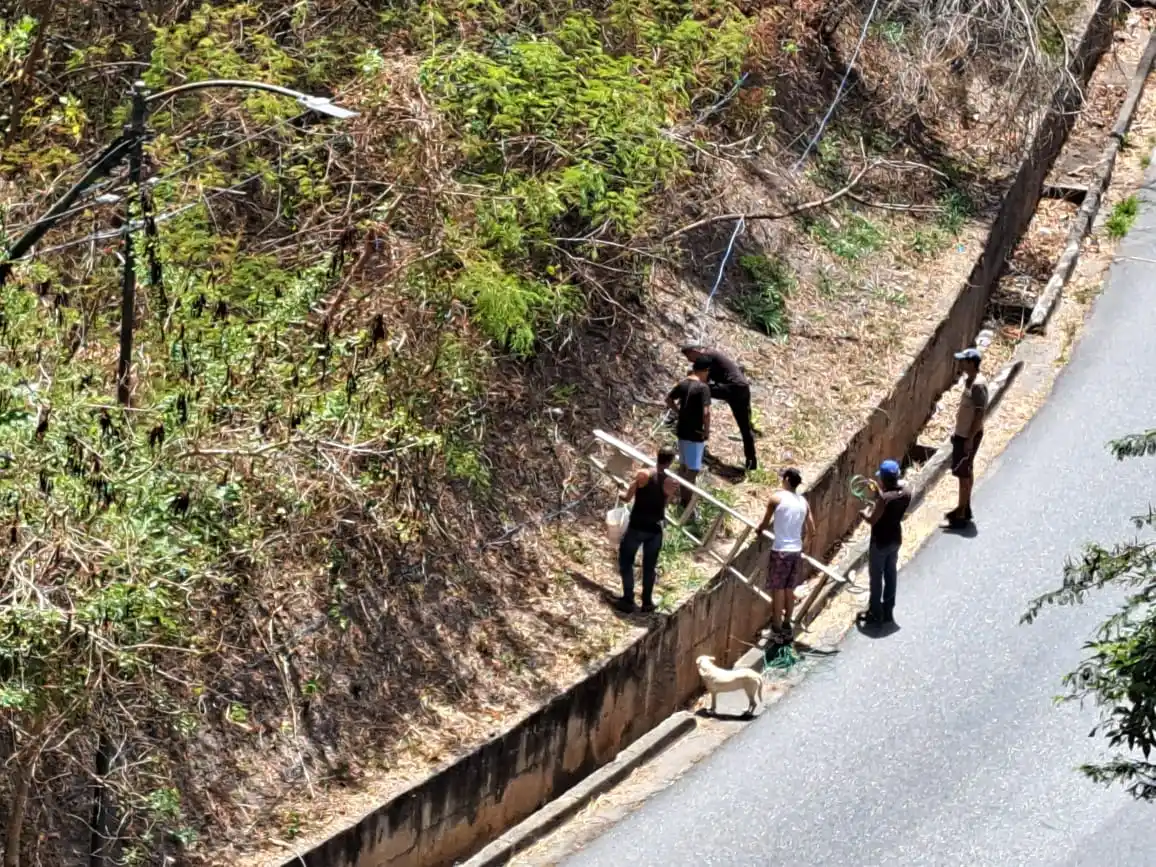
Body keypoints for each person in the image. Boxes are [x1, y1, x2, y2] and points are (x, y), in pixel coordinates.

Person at [614, 446, 680, 614]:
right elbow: (665, 505)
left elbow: (627, 497)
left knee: (626, 561)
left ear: (657, 456)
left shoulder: (643, 474)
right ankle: (647, 602)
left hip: (637, 526)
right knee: (649, 567)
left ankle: (628, 599)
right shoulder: (671, 482)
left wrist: (620, 493)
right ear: (671, 461)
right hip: (655, 530)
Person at [755, 467, 815, 642]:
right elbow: (812, 531)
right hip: (795, 551)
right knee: (789, 589)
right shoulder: (803, 502)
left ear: (787, 479)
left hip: (780, 550)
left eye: (783, 478)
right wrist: (802, 546)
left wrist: (758, 530)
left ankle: (776, 628)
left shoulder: (776, 498)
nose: (781, 481)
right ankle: (787, 625)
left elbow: (764, 524)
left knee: (778, 590)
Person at [680, 344, 758, 471]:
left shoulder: (707, 356)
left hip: (732, 388)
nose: (690, 360)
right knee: (745, 428)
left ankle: (689, 428)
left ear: (695, 351)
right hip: (741, 388)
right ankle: (751, 462)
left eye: (689, 356)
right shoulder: (711, 356)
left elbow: (701, 379)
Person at [859, 459, 912, 626]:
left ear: (883, 479)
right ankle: (888, 609)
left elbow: (872, 519)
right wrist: (879, 491)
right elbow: (889, 497)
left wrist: (863, 513)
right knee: (891, 574)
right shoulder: (906, 492)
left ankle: (875, 612)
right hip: (895, 539)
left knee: (876, 578)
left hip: (880, 542)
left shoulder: (884, 499)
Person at [945, 347, 988, 529]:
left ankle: (961, 513)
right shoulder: (970, 381)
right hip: (962, 434)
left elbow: (979, 415)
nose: (960, 363)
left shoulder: (977, 385)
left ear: (971, 363)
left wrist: (969, 438)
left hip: (968, 436)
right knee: (965, 471)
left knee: (964, 473)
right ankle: (965, 507)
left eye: (963, 360)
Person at [666, 357, 712, 508]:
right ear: (705, 371)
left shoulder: (683, 383)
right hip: (695, 434)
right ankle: (685, 502)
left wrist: (679, 412)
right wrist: (706, 431)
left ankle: (677, 497)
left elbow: (668, 399)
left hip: (682, 431)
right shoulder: (703, 388)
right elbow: (706, 413)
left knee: (683, 466)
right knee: (692, 470)